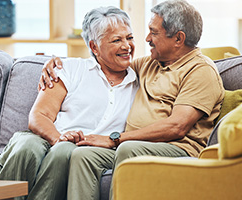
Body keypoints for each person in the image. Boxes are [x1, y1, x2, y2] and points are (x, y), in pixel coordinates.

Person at [40, 0, 224, 199]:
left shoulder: (201, 71)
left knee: (127, 148)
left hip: (177, 149)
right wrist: (56, 64)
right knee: (82, 154)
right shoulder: (149, 64)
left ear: (178, 39)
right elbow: (108, 59)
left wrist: (115, 139)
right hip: (133, 145)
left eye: (154, 32)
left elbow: (176, 127)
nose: (146, 39)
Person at [0, 6, 139, 200]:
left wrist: (64, 144)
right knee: (27, 148)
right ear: (94, 47)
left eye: (130, 37)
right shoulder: (70, 68)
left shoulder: (142, 78)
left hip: (86, 148)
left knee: (64, 152)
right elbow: (38, 117)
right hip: (46, 136)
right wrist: (58, 138)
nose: (127, 46)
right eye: (117, 40)